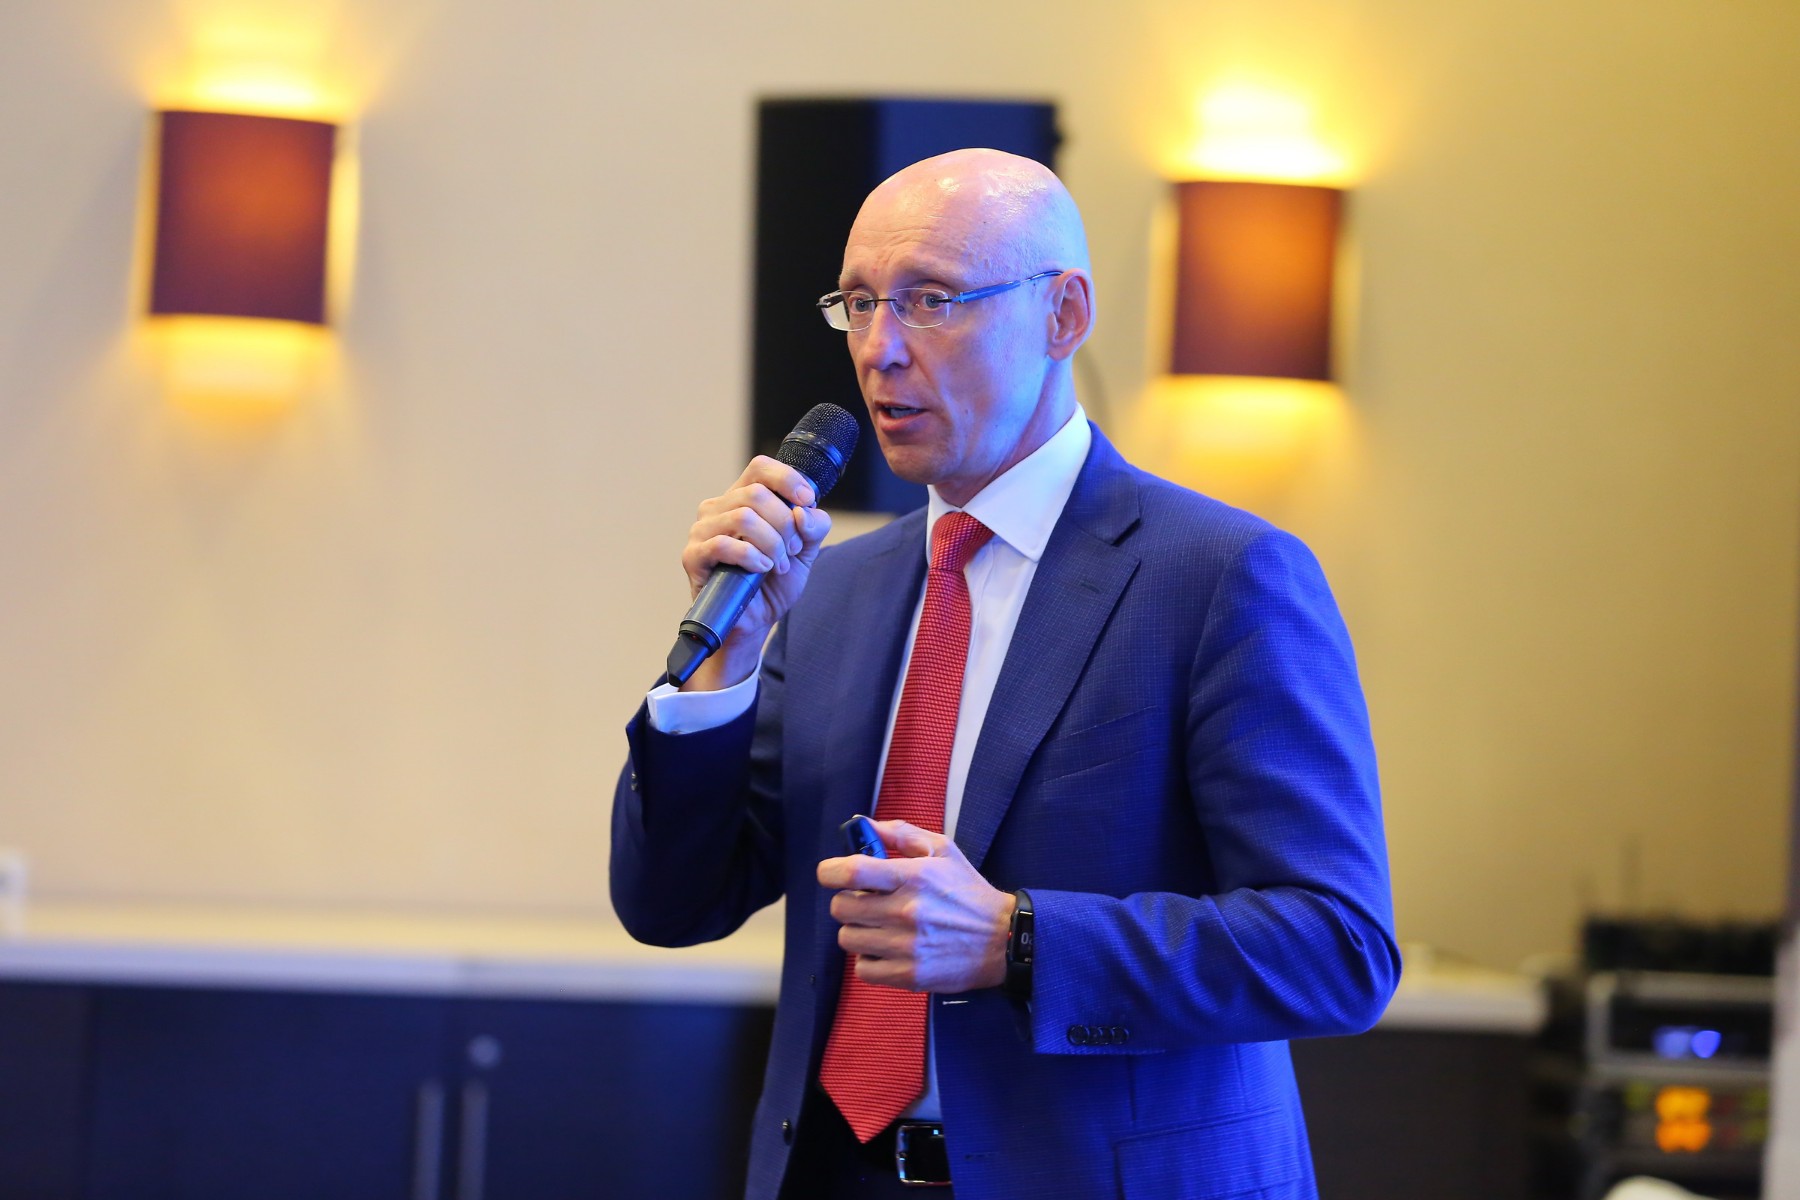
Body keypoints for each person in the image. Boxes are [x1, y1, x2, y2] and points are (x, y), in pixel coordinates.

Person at [611, 148, 1399, 1200]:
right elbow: (671, 903)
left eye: (931, 300)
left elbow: (1337, 947)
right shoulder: (830, 595)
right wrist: (728, 664)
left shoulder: (1221, 576)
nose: (881, 349)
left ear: (1063, 315)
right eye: (859, 304)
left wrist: (1018, 940)